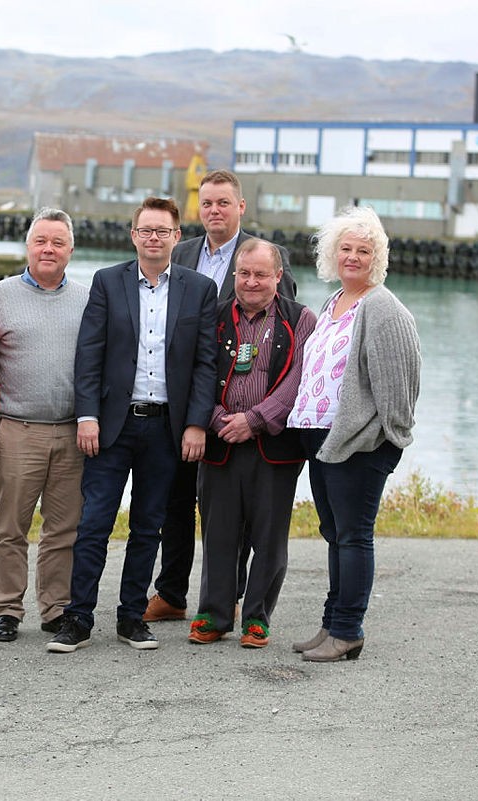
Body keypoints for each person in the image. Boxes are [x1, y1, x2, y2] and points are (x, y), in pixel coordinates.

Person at [48, 196, 217, 653]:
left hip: (166, 428)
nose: (154, 238)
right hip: (110, 426)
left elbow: (205, 364)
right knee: (94, 523)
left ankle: (130, 617)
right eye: (146, 230)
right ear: (134, 235)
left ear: (177, 236)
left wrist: (196, 425)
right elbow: (90, 354)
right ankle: (78, 618)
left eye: (163, 230)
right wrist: (87, 416)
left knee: (148, 526)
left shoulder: (198, 289)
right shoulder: (107, 282)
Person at [146, 169, 298, 624]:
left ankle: (229, 598)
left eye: (223, 203)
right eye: (207, 203)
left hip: (239, 410)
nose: (214, 210)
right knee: (177, 500)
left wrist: (258, 413)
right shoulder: (182, 251)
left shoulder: (265, 258)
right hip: (183, 399)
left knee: (236, 513)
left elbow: (281, 338)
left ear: (240, 207)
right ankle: (171, 592)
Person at [286, 205, 421, 662]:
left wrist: (387, 439)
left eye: (364, 250)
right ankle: (331, 626)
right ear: (332, 253)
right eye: (345, 248)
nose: (353, 257)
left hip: (359, 446)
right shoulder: (334, 302)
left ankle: (348, 631)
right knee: (335, 534)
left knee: (354, 536)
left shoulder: (382, 307)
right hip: (321, 439)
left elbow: (400, 387)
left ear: (376, 258)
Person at [189, 238, 316, 647]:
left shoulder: (301, 320)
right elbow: (192, 369)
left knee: (269, 536)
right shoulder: (212, 316)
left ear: (278, 276)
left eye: (261, 274)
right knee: (219, 532)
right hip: (220, 439)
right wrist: (214, 417)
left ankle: (257, 617)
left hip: (274, 445)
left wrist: (257, 419)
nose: (251, 282)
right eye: (244, 273)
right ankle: (214, 613)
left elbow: (300, 379)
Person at [0, 208, 90, 642]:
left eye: (58, 242)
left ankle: (55, 608)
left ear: (70, 250)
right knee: (10, 528)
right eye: (41, 241)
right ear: (28, 246)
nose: (49, 249)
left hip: (72, 431)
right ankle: (7, 608)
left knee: (63, 529)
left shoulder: (87, 299)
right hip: (17, 430)